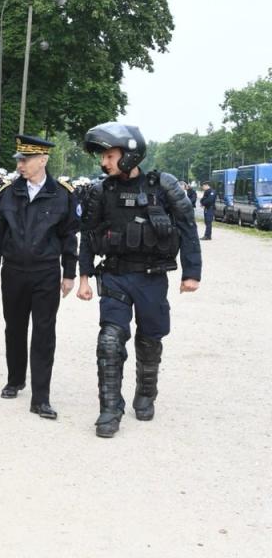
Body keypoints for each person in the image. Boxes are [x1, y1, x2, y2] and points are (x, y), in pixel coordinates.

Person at [76, 122, 201, 438]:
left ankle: (146, 393)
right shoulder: (100, 191)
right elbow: (88, 237)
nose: (103, 162)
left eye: (109, 155)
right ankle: (109, 409)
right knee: (108, 342)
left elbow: (187, 226)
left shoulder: (164, 187)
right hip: (116, 276)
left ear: (129, 154)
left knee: (149, 340)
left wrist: (191, 272)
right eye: (102, 156)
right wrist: (83, 277)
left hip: (151, 278)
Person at [0, 134, 79, 420]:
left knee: (44, 332)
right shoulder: (8, 193)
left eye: (25, 160)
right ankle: (15, 379)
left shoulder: (62, 194)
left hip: (46, 272)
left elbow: (69, 236)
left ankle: (41, 397)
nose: (20, 165)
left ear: (43, 160)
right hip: (13, 271)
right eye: (19, 160)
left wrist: (70, 273)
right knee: (14, 327)